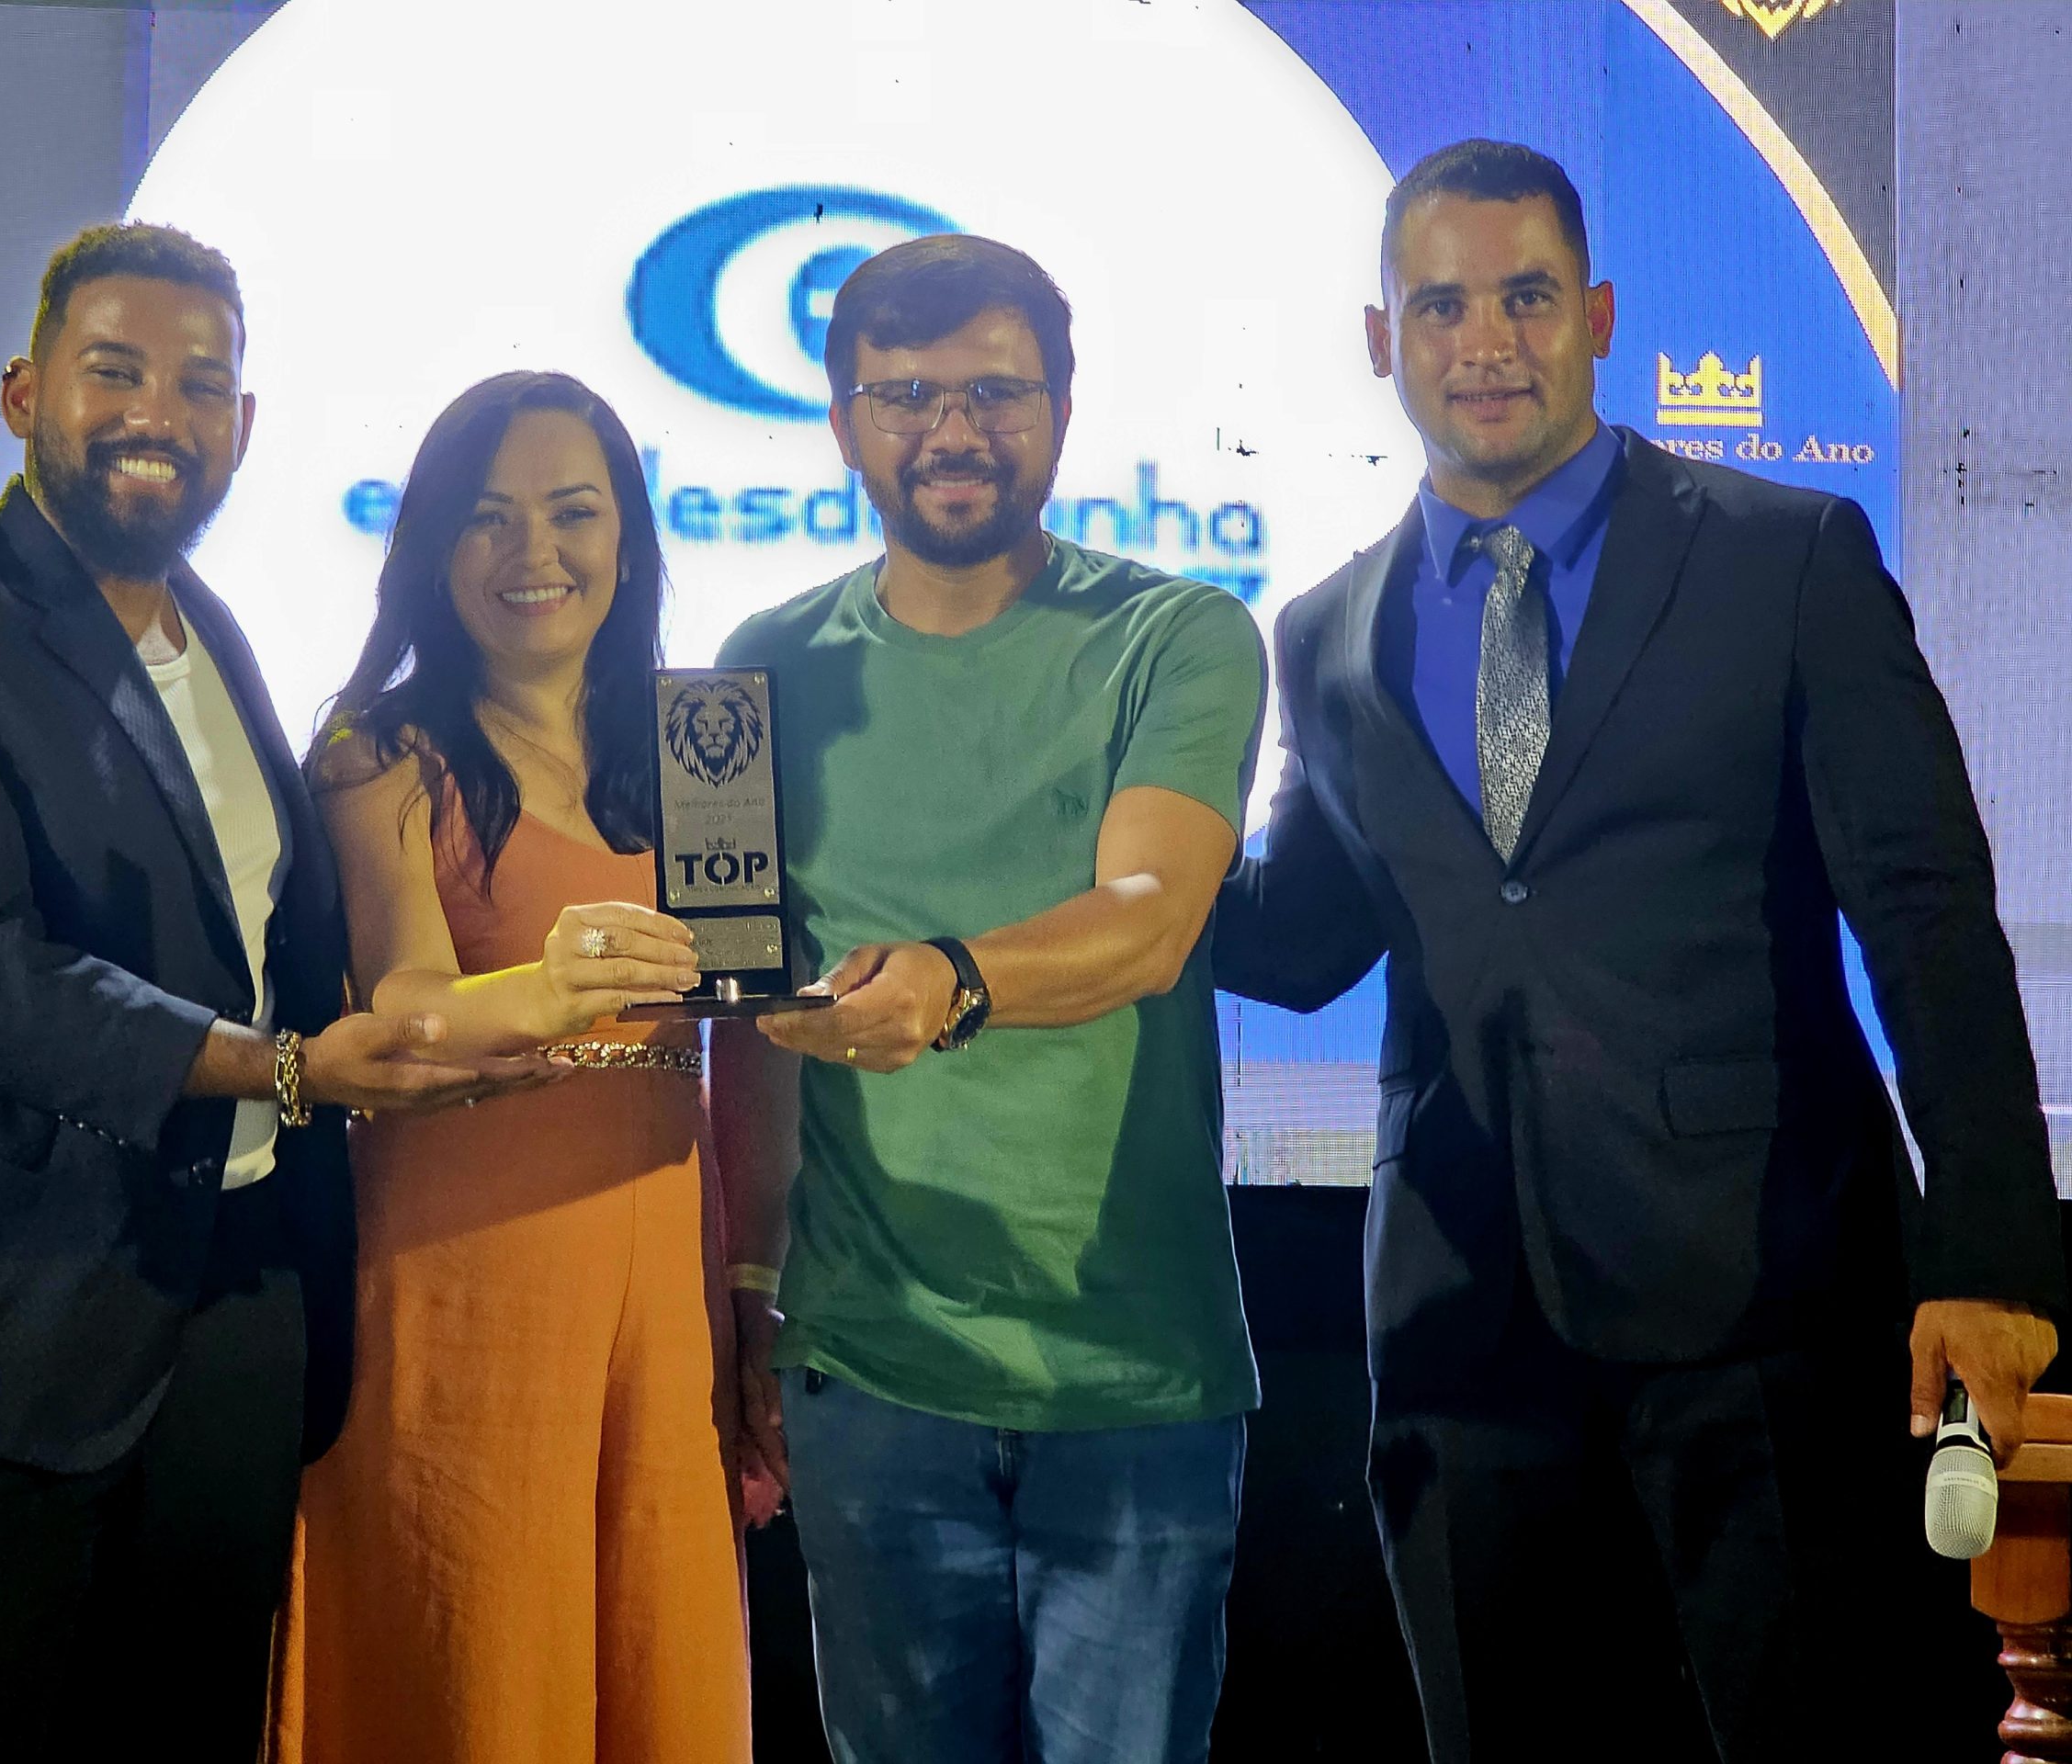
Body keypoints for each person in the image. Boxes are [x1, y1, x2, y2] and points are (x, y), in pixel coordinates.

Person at [1216, 139, 2069, 1760]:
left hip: (1769, 1313)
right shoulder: (1325, 631)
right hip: (1463, 1333)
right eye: (1441, 305)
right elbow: (1307, 937)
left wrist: (1990, 1257)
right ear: (1382, 341)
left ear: (1599, 316)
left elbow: (1926, 910)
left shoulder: (1785, 555)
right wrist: (1083, 860)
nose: (1486, 341)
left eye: (1526, 297)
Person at [0, 223, 530, 1761]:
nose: (160, 412)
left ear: (245, 424)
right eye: (117, 371)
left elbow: (269, 947)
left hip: (221, 1328)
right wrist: (284, 1071)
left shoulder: (212, 632)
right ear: (24, 393)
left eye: (201, 383)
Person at [711, 234, 1267, 1764]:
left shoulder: (1179, 636)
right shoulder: (758, 667)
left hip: (1134, 1376)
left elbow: (1150, 922)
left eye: (995, 393)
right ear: (843, 422)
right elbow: (749, 1020)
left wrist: (951, 984)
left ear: (1064, 411)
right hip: (869, 1373)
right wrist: (748, 1292)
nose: (951, 431)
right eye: (905, 395)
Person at [273, 370, 752, 1764]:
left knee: (656, 1650)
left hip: (663, 1267)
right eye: (487, 517)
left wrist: (758, 1277)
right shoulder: (380, 752)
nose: (531, 551)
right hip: (462, 1266)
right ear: (432, 546)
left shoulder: (704, 749)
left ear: (629, 541)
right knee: (475, 1654)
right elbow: (405, 997)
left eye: (572, 512)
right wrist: (547, 989)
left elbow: (752, 1029)